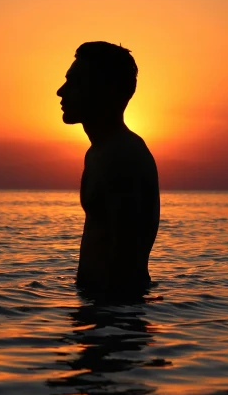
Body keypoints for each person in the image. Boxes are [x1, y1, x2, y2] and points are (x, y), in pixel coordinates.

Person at [57, 41, 160, 300]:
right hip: (101, 313)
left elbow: (125, 256)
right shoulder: (100, 153)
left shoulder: (121, 157)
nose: (61, 91)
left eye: (75, 82)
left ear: (104, 91)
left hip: (115, 317)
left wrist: (109, 322)